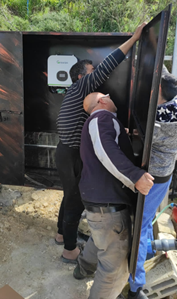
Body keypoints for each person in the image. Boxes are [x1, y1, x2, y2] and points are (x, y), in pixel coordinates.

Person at [55, 22, 147, 263]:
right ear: (81, 76)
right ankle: (69, 250)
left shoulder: (74, 95)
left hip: (65, 152)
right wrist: (134, 38)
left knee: (69, 195)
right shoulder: (82, 87)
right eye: (91, 70)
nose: (95, 73)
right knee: (74, 200)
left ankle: (61, 234)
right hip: (70, 154)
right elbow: (108, 66)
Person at [72, 92, 154, 299]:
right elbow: (106, 150)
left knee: (101, 237)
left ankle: (82, 268)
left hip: (98, 202)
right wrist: (135, 177)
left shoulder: (103, 121)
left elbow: (106, 145)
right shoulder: (101, 118)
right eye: (107, 95)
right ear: (101, 101)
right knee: (115, 270)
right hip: (107, 204)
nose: (111, 96)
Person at [128, 72, 177, 299]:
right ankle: (148, 252)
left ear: (158, 91)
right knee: (146, 219)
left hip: (152, 178)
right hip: (165, 175)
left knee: (139, 225)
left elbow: (144, 134)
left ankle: (136, 285)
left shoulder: (158, 117)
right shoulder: (174, 106)